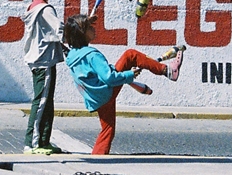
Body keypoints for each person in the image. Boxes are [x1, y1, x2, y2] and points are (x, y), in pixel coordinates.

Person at [64, 13, 183, 155]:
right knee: (130, 55)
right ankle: (167, 71)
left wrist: (84, 22)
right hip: (106, 92)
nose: (94, 29)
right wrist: (129, 75)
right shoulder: (92, 55)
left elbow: (71, 30)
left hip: (96, 98)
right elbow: (109, 78)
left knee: (107, 129)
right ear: (82, 33)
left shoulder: (73, 55)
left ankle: (97, 158)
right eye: (90, 27)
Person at [22, 0, 66, 155]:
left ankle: (43, 140)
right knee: (41, 102)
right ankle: (32, 143)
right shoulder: (46, 9)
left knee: (47, 102)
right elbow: (60, 29)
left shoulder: (32, 7)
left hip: (39, 60)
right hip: (44, 62)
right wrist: (81, 30)